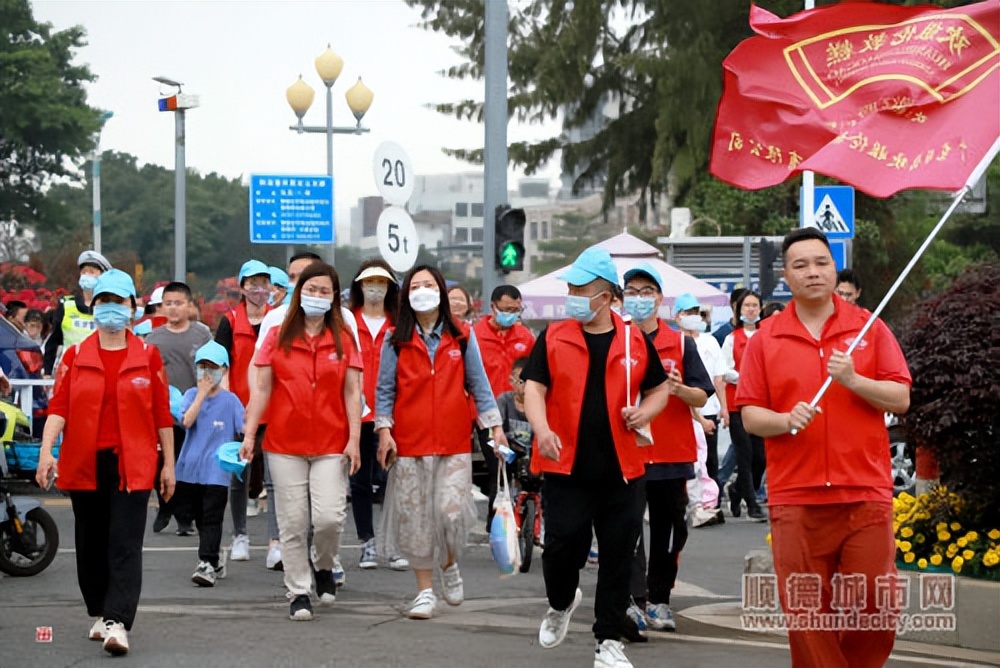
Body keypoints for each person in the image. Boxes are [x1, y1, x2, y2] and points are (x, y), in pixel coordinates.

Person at [736, 227, 911, 668]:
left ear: (834, 269)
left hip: (864, 493)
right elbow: (751, 414)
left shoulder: (869, 329)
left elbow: (900, 398)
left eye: (821, 263)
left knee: (875, 605)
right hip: (797, 497)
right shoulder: (766, 338)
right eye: (800, 265)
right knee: (807, 614)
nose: (813, 272)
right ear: (785, 275)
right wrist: (784, 419)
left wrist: (854, 379)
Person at [521, 247, 670, 668]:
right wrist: (542, 428)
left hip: (623, 470)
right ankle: (561, 602)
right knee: (561, 549)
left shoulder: (633, 339)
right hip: (564, 466)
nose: (572, 296)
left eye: (580, 290)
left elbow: (659, 388)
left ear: (605, 297)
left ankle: (608, 640)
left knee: (618, 555)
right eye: (569, 288)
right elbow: (534, 388)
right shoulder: (553, 336)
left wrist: (646, 410)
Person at [35, 269, 174, 657]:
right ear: (94, 307)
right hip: (84, 462)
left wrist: (169, 466)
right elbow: (58, 407)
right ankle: (99, 610)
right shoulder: (77, 355)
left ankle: (117, 621)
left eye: (118, 301)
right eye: (104, 301)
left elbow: (162, 414)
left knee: (125, 541)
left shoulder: (147, 356)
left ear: (132, 307)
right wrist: (48, 451)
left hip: (134, 462)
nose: (111, 308)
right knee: (91, 543)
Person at [375, 265, 508, 621]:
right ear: (406, 295)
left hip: (453, 443)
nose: (422, 290)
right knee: (416, 521)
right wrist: (384, 430)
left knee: (450, 514)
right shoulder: (394, 340)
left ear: (441, 292)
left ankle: (449, 563)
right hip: (409, 444)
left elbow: (479, 384)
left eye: (428, 284)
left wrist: (495, 427)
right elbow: (384, 390)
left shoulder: (462, 336)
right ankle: (424, 592)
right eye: (414, 286)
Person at [241, 261, 362, 622]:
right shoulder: (278, 332)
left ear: (334, 296)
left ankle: (324, 565)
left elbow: (353, 391)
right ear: (299, 293)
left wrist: (354, 439)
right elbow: (261, 387)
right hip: (283, 443)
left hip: (331, 442)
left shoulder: (343, 335)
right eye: (312, 290)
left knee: (328, 518)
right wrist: (249, 433)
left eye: (326, 291)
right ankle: (298, 590)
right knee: (293, 522)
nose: (318, 296)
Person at [620, 266, 712, 635]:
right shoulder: (617, 340)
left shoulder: (682, 344)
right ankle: (633, 602)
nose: (639, 297)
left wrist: (678, 390)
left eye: (647, 291)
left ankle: (660, 600)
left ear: (660, 299)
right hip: (627, 452)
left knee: (670, 531)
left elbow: (702, 395)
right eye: (632, 290)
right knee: (626, 530)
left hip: (672, 454)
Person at [348, 259, 409, 571]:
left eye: (382, 282)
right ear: (359, 285)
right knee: (358, 482)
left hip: (391, 415)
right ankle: (367, 542)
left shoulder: (399, 325)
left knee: (391, 480)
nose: (375, 288)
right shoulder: (347, 322)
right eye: (369, 281)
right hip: (355, 416)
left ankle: (393, 542)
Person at [173, 341, 244, 587]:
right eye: (202, 366)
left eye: (212, 367)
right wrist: (201, 394)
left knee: (212, 515)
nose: (206, 372)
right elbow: (186, 421)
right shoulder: (191, 396)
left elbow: (242, 428)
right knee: (195, 515)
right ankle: (214, 557)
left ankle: (206, 562)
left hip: (217, 470)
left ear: (223, 370)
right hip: (190, 469)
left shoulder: (231, 400)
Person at [145, 281, 214, 535]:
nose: (173, 309)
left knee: (189, 465)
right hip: (165, 413)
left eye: (178, 303)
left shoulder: (202, 334)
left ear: (189, 306)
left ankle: (185, 518)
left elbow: (213, 368)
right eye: (168, 304)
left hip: (195, 410)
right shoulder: (154, 338)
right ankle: (166, 505)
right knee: (161, 463)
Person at [215, 260, 272, 561]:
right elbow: (222, 365)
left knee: (274, 478)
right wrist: (230, 405)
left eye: (263, 282)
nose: (258, 289)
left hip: (274, 409)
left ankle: (275, 542)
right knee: (240, 475)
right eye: (252, 283)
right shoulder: (230, 321)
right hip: (240, 408)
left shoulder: (278, 319)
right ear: (242, 286)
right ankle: (240, 536)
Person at [472, 285, 536, 531]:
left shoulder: (525, 337)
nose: (511, 314)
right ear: (493, 307)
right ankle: (496, 518)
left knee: (525, 464)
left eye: (516, 310)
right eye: (506, 309)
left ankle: (527, 514)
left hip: (519, 413)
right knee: (499, 463)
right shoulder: (475, 336)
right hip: (488, 415)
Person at [674, 293, 727, 527]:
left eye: (697, 312)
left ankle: (706, 504)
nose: (694, 317)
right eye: (688, 312)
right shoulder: (675, 343)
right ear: (677, 316)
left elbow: (718, 379)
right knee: (691, 461)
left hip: (708, 408)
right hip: (685, 412)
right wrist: (697, 417)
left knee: (707, 461)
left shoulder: (709, 341)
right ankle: (692, 505)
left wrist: (724, 408)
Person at [720, 290, 767, 522]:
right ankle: (752, 503)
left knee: (760, 457)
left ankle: (737, 490)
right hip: (737, 403)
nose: (751, 310)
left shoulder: (766, 336)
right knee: (745, 454)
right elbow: (724, 371)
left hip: (761, 403)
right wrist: (745, 376)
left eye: (755, 305)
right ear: (739, 310)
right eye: (747, 306)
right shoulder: (732, 338)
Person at [44, 250, 112, 375]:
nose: (87, 275)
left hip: (101, 373)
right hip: (70, 374)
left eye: (92, 272)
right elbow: (53, 342)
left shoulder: (111, 309)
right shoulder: (67, 306)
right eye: (84, 272)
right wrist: (47, 374)